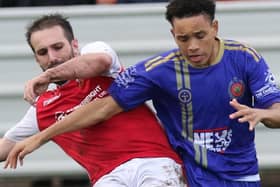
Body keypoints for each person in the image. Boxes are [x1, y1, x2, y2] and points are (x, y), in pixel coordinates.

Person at [5, 0, 280, 186]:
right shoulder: (158, 70)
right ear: (173, 35)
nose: (193, 46)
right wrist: (40, 137)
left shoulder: (244, 58)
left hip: (236, 174)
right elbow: (103, 108)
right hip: (187, 174)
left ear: (215, 28)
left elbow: (277, 113)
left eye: (200, 35)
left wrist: (264, 113)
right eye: (184, 39)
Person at [0, 13, 187, 187]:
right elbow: (5, 147)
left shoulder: (97, 55)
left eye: (58, 47)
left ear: (74, 45)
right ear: (36, 59)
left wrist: (48, 76)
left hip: (153, 161)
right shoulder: (41, 109)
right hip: (107, 177)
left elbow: (100, 61)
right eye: (42, 52)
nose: (52, 57)